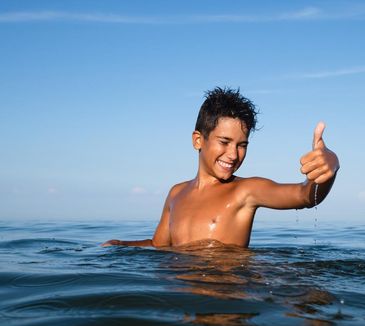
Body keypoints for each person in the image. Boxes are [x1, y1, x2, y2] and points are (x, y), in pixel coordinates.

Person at [103, 87, 339, 248]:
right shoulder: (176, 193)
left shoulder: (245, 191)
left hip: (228, 296)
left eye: (242, 145)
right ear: (198, 140)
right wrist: (120, 245)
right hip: (182, 299)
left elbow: (304, 196)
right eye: (224, 142)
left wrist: (329, 167)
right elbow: (159, 246)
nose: (234, 154)